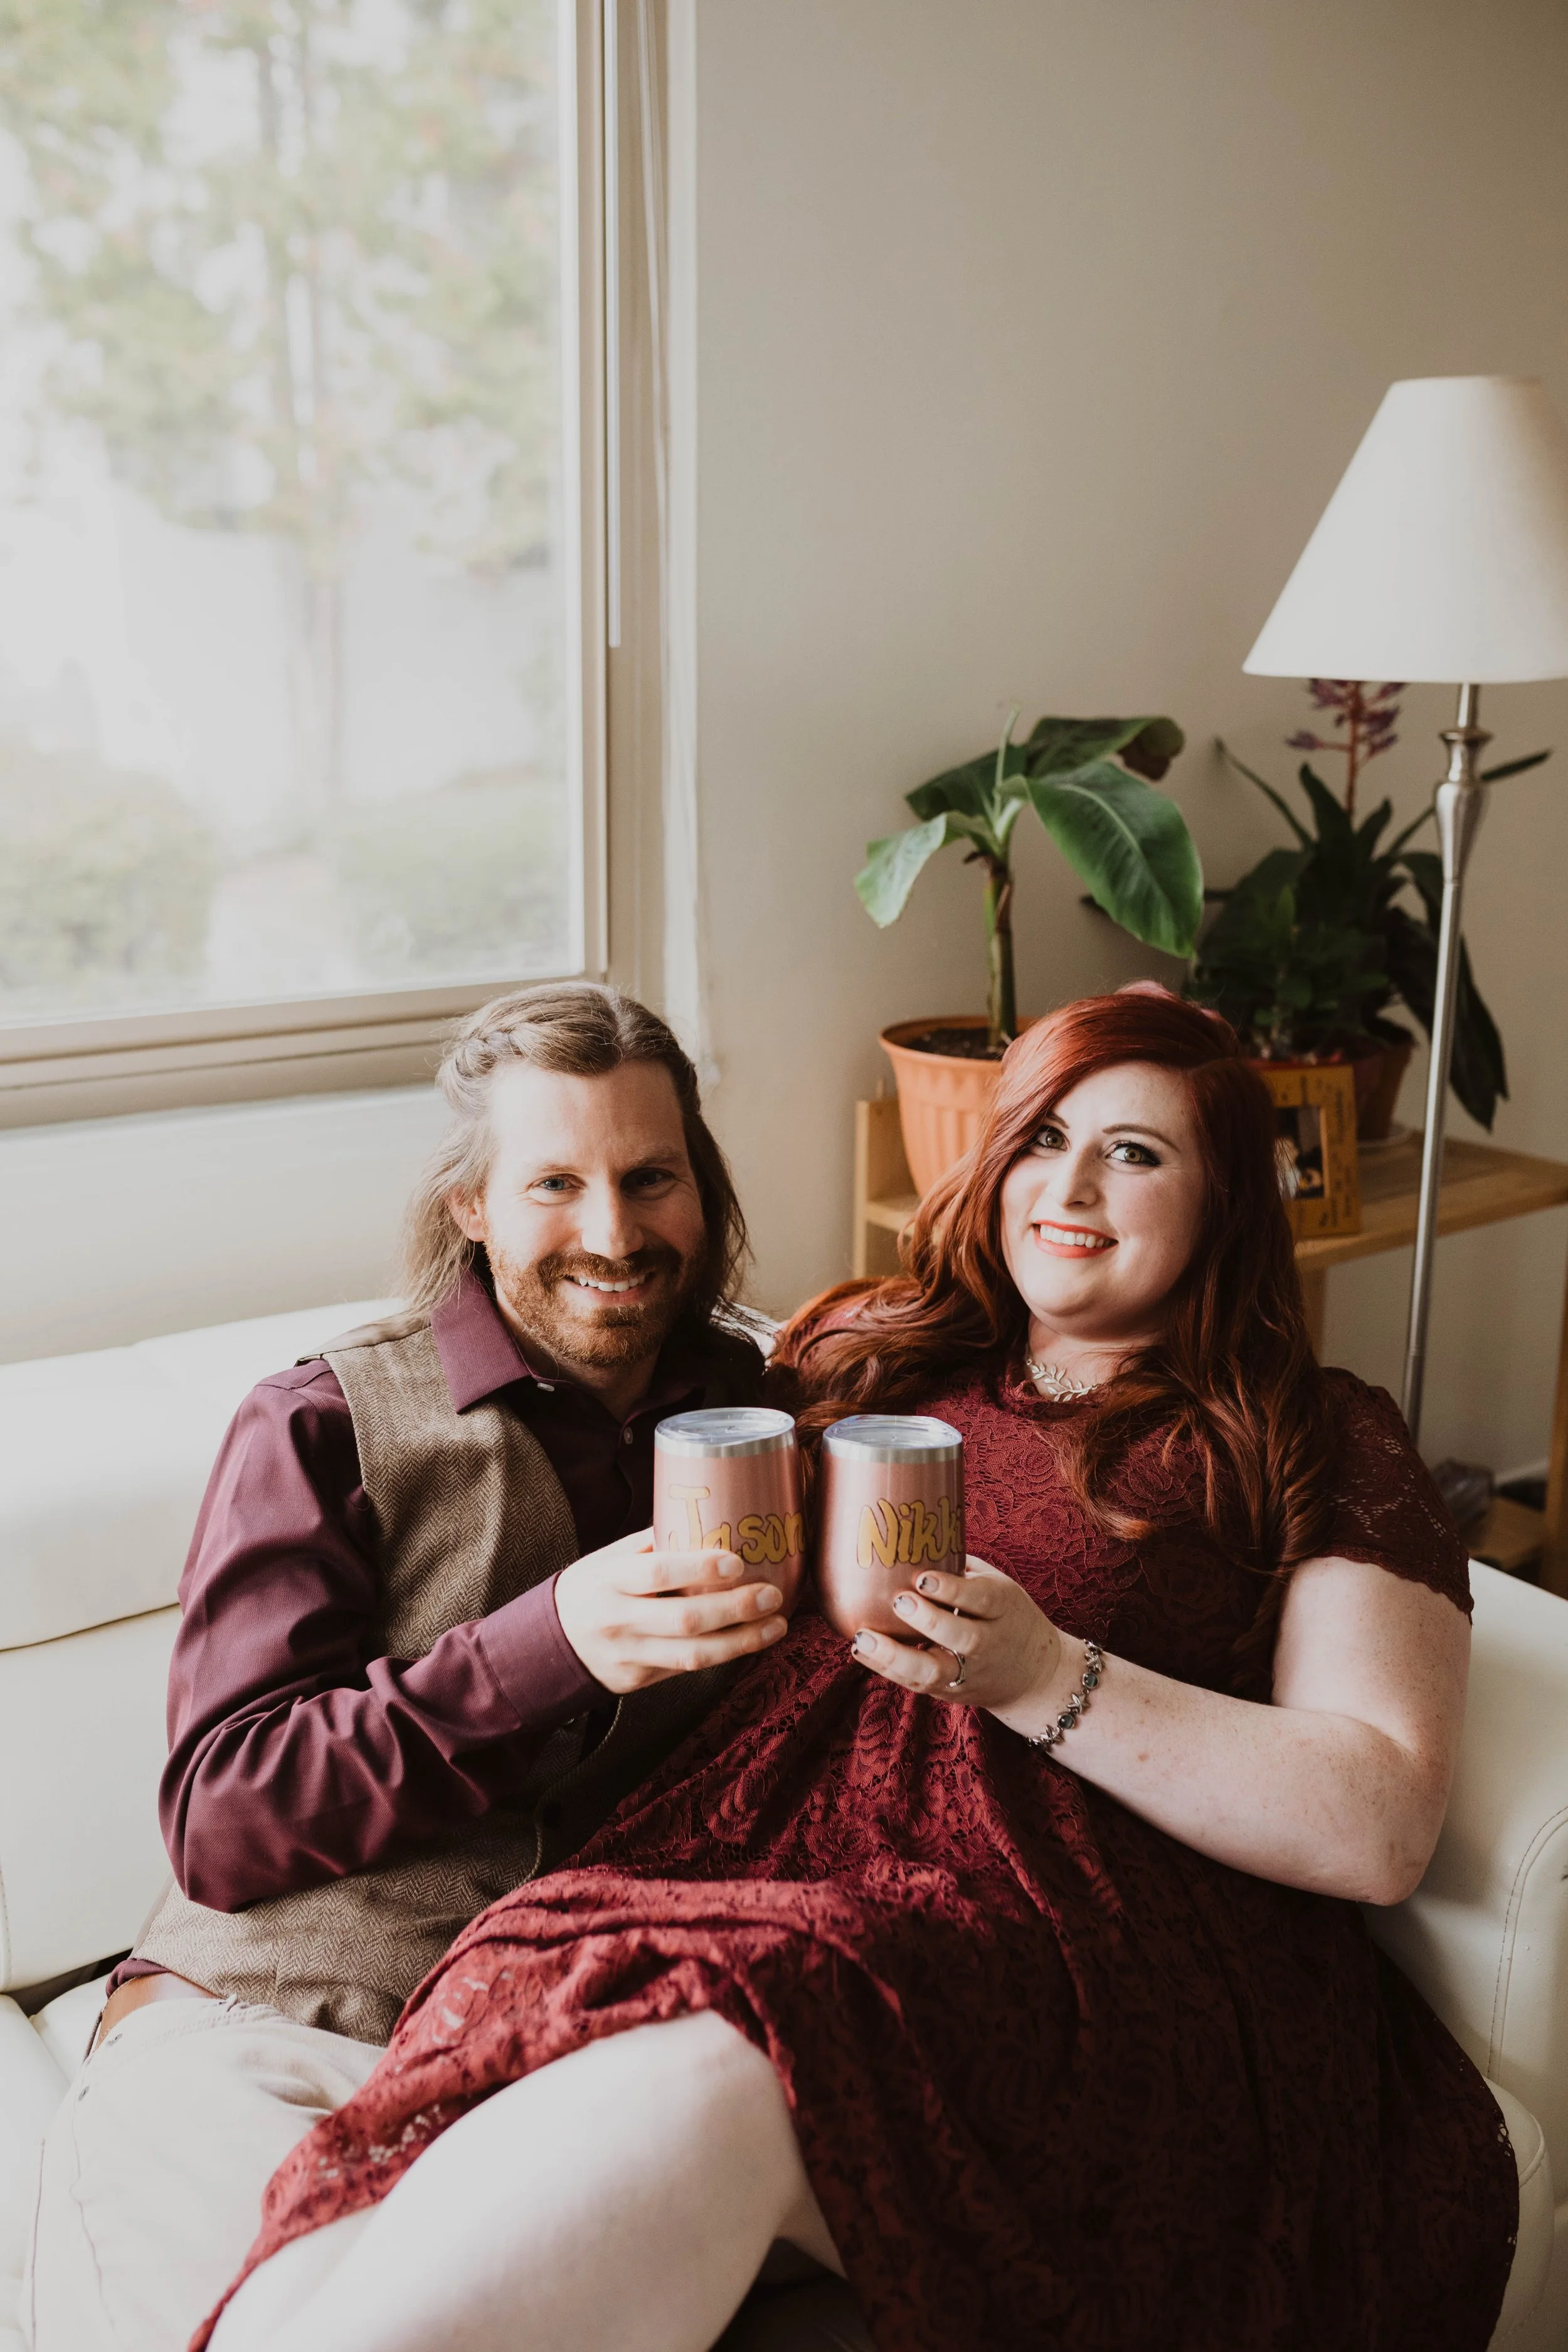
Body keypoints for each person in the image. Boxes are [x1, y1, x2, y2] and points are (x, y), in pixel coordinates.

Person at [197, 990, 1514, 2352]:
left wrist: (1047, 1675)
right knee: (415, 2160)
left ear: (1224, 1197)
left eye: (1134, 1153)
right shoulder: (867, 1354)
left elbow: (1376, 1823)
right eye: (1042, 1135)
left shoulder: (1313, 1434)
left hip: (1057, 1932)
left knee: (731, 2053)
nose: (1067, 1184)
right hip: (736, 1870)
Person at [23, 983, 788, 2352]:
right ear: (473, 1208)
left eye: (648, 1176)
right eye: (553, 1182)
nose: (612, 1233)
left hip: (569, 2056)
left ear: (700, 1188)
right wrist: (548, 1646)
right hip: (274, 2029)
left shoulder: (776, 1420)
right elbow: (221, 1816)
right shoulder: (318, 1422)